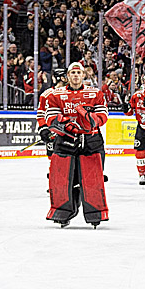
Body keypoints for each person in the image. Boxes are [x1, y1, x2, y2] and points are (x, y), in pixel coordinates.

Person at [43, 62, 109, 227]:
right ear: (67, 76)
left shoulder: (95, 93)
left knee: (92, 179)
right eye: (72, 72)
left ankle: (95, 213)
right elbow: (50, 116)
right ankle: (62, 212)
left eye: (78, 72)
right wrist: (65, 125)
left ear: (83, 75)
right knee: (63, 179)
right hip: (65, 140)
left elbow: (102, 114)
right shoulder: (55, 95)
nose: (75, 75)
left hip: (91, 141)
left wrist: (91, 120)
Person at [37, 67, 67, 159]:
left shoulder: (72, 93)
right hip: (53, 134)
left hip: (69, 133)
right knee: (54, 159)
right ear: (61, 78)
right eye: (67, 75)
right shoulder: (47, 94)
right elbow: (41, 114)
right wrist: (43, 128)